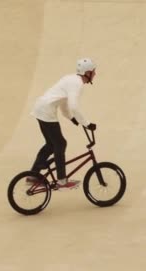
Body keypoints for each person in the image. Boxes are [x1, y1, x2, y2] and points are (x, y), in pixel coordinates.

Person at [28, 58, 97, 190]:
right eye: (93, 72)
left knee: (51, 144)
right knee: (60, 143)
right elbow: (74, 106)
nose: (95, 74)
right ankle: (62, 180)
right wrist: (87, 124)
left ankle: (33, 174)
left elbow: (64, 103)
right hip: (46, 111)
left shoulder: (71, 79)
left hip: (40, 108)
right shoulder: (77, 84)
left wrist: (71, 118)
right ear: (87, 72)